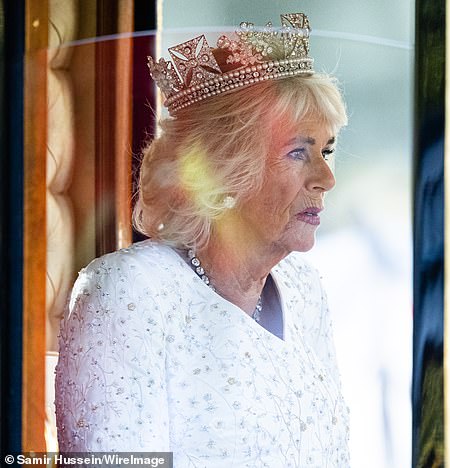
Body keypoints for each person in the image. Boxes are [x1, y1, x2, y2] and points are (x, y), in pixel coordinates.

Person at [55, 12, 350, 467]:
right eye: (298, 152)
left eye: (326, 150)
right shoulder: (128, 292)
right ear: (223, 169)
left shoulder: (305, 288)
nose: (326, 178)